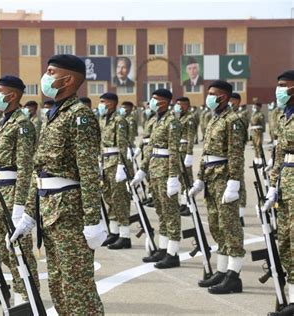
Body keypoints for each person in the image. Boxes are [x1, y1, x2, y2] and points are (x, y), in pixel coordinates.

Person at [11, 54, 105, 314]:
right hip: (48, 209)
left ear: (69, 79)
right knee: (58, 284)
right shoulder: (52, 115)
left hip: (70, 213)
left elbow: (88, 173)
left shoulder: (80, 116)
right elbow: (38, 171)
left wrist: (92, 220)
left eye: (51, 72)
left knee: (78, 286)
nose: (46, 77)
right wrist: (30, 214)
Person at [0, 75, 40, 305]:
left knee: (21, 252)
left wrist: (20, 205)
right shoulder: (4, 121)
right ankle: (17, 294)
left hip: (11, 193)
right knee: (3, 249)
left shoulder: (23, 125)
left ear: (13, 95)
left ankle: (28, 300)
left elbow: (26, 167)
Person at [189, 80, 245, 294]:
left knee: (230, 225)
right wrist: (200, 178)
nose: (209, 96)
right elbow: (205, 152)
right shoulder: (214, 119)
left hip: (224, 177)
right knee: (216, 224)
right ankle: (222, 271)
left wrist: (234, 181)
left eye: (214, 93)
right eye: (209, 92)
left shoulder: (233, 120)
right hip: (211, 177)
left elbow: (236, 154)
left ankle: (234, 275)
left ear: (224, 96)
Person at [131, 89, 182, 268]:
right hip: (154, 169)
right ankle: (163, 248)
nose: (151, 102)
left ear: (165, 101)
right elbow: (150, 148)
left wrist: (173, 176)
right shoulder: (154, 120)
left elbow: (175, 151)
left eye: (155, 99)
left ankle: (173, 253)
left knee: (171, 212)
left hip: (166, 171)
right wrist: (142, 170)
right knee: (161, 212)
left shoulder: (172, 121)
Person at [265, 70, 294, 316]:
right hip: (286, 184)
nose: (279, 90)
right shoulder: (284, 116)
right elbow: (280, 155)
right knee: (285, 241)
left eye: (284, 85)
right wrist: (272, 186)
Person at [98, 92, 132, 250]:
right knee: (109, 198)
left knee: (120, 199)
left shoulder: (120, 120)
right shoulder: (104, 119)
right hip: (105, 162)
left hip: (115, 163)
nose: (101, 104)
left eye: (103, 102)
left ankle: (125, 236)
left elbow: (123, 145)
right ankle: (114, 232)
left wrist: (121, 166)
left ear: (112, 103)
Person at [228, 93, 248, 226]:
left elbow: (241, 140)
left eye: (232, 101)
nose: (230, 103)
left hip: (236, 155)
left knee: (239, 184)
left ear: (238, 102)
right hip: (225, 156)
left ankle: (240, 215)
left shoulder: (239, 117)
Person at [174, 97, 196, 217]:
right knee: (182, 179)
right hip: (178, 150)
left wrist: (189, 153)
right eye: (178, 105)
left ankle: (190, 205)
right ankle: (183, 203)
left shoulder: (190, 118)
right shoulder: (179, 117)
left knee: (187, 179)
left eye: (181, 105)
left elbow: (191, 137)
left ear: (187, 106)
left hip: (184, 150)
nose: (179, 107)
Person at [250, 102, 266, 167]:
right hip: (253, 131)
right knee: (255, 147)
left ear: (259, 107)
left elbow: (263, 124)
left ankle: (261, 162)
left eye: (256, 106)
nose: (254, 107)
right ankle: (256, 162)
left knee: (258, 146)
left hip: (258, 131)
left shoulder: (260, 114)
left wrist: (262, 131)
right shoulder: (253, 114)